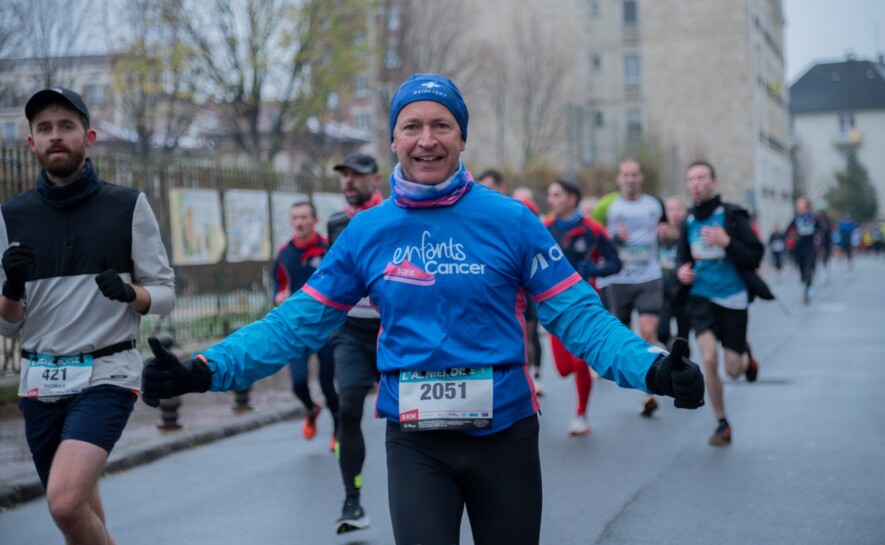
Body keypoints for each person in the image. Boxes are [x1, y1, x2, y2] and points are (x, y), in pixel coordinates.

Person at [142, 73, 704, 545]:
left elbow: (579, 317)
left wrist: (652, 368)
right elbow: (294, 324)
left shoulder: (511, 221)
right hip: (416, 445)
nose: (426, 139)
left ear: (462, 139)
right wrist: (204, 370)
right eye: (412, 126)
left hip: (504, 436)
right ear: (393, 139)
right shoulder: (368, 232)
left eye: (442, 125)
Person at [2, 87, 174, 544]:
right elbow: (6, 323)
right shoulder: (10, 217)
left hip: (107, 373)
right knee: (78, 512)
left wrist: (131, 294)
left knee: (62, 501)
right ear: (31, 143)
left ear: (89, 136)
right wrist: (12, 288)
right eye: (44, 129)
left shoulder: (127, 206)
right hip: (40, 379)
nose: (55, 136)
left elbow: (165, 294)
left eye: (66, 126)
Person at [676, 160, 765, 446]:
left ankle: (745, 356)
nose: (696, 184)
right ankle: (721, 423)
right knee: (709, 358)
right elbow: (682, 258)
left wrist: (727, 241)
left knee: (733, 369)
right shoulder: (688, 220)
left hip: (734, 298)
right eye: (691, 179)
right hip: (701, 298)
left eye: (701, 178)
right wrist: (682, 272)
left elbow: (755, 256)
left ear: (713, 183)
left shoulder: (733, 215)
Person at [326, 152, 384, 533]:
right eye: (344, 175)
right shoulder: (334, 224)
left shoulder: (393, 215)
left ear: (375, 179)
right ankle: (353, 499)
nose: (349, 181)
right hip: (349, 330)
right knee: (348, 409)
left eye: (357, 175)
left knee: (405, 415)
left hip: (391, 326)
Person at [544, 178, 621, 435]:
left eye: (556, 195)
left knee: (578, 364)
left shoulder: (593, 229)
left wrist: (595, 270)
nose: (550, 200)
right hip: (553, 306)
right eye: (550, 195)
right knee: (564, 370)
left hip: (583, 305)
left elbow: (615, 264)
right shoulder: (544, 229)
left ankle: (581, 415)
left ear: (571, 199)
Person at [592, 159, 666, 417]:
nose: (630, 179)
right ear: (618, 179)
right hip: (619, 280)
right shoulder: (607, 206)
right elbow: (595, 240)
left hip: (648, 277)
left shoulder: (654, 205)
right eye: (625, 174)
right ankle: (640, 373)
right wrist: (615, 240)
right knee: (622, 337)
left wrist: (666, 233)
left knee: (648, 330)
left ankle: (649, 392)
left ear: (641, 177)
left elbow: (666, 230)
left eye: (635, 174)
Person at [272, 201, 339, 447]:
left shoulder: (327, 248)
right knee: (299, 383)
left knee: (327, 383)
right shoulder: (284, 253)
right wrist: (279, 297)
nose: (299, 223)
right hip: (297, 329)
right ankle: (311, 409)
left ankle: (337, 432)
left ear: (314, 220)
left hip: (326, 327)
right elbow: (277, 285)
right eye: (295, 218)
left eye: (304, 218)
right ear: (291, 222)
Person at [511, 186, 544, 393]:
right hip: (513, 291)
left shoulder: (530, 215)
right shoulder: (506, 214)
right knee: (523, 337)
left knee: (530, 336)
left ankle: (532, 375)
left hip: (529, 291)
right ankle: (527, 376)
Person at [657, 196, 691, 352]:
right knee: (662, 331)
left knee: (684, 336)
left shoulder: (688, 235)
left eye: (678, 209)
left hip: (683, 291)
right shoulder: (658, 234)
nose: (674, 213)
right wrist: (658, 238)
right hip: (663, 289)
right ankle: (670, 343)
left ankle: (684, 367)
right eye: (670, 210)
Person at [786, 196, 823, 305]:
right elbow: (788, 230)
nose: (799, 207)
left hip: (810, 246)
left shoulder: (812, 217)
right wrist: (792, 236)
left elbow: (820, 230)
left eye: (801, 204)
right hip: (798, 247)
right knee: (801, 267)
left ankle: (809, 286)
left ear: (806, 206)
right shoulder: (796, 218)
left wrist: (817, 237)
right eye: (798, 205)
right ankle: (805, 280)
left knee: (808, 268)